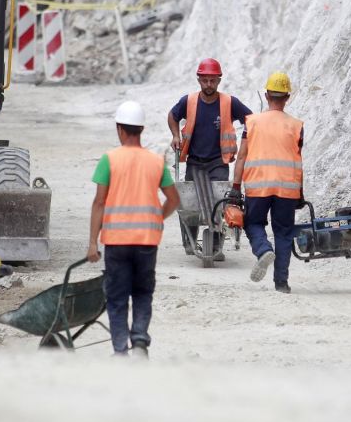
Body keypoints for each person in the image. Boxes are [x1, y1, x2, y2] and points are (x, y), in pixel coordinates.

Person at [87, 100, 180, 358]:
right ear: (141, 129)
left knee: (117, 298)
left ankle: (120, 350)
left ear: (120, 129)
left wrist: (93, 242)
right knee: (142, 293)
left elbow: (99, 202)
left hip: (116, 241)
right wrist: (157, 218)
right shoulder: (155, 161)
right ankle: (139, 342)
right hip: (147, 241)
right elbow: (174, 200)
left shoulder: (109, 160)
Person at [167, 57, 252, 258]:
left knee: (218, 201)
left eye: (212, 80)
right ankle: (189, 240)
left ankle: (215, 244)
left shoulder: (229, 102)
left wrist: (247, 140)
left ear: (219, 80)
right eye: (205, 80)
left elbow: (250, 119)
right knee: (189, 202)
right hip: (194, 160)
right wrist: (175, 135)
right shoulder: (189, 101)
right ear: (199, 80)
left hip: (218, 161)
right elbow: (172, 116)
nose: (208, 85)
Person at [230, 72, 305, 294]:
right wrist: (300, 191)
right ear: (287, 97)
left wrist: (235, 187)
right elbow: (298, 159)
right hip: (287, 188)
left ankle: (263, 250)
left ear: (266, 94)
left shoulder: (251, 122)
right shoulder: (297, 125)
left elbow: (242, 156)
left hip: (258, 185)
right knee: (283, 232)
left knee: (253, 223)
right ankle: (281, 283)